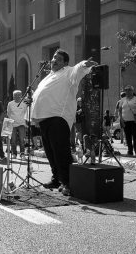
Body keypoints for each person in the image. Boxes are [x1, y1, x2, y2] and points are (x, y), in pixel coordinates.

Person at [30, 49, 96, 195]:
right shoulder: (49, 76)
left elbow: (79, 68)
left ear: (65, 63)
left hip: (58, 118)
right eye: (53, 57)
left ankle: (68, 183)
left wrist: (85, 64)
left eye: (58, 59)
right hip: (44, 119)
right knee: (50, 152)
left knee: (60, 152)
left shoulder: (69, 72)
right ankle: (56, 179)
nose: (54, 60)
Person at [117, 85, 136, 156]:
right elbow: (120, 110)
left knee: (135, 136)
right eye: (126, 90)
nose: (127, 91)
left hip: (134, 121)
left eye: (129, 90)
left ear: (132, 91)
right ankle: (130, 151)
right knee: (128, 137)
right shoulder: (122, 100)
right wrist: (121, 119)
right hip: (125, 120)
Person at [6, 90, 28, 159]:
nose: (17, 96)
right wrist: (10, 122)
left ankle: (22, 154)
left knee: (22, 140)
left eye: (19, 95)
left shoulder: (24, 103)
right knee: (13, 140)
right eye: (15, 95)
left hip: (22, 124)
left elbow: (26, 113)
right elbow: (8, 113)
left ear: (21, 96)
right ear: (13, 96)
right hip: (13, 124)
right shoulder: (10, 103)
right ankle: (14, 153)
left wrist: (26, 122)